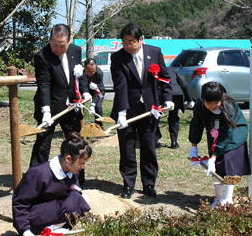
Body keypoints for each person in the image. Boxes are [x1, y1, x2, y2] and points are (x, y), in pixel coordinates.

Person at [110, 24, 173, 199]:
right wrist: (122, 112)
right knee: (127, 148)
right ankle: (128, 184)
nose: (128, 46)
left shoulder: (155, 52)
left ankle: (149, 184)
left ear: (141, 40)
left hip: (150, 109)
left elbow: (164, 78)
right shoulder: (118, 58)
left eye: (131, 42)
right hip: (128, 108)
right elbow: (120, 85)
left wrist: (167, 99)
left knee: (148, 147)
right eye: (124, 42)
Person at [13, 132, 92, 236]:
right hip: (34, 216)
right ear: (68, 158)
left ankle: (56, 233)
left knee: (78, 198)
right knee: (75, 199)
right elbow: (20, 203)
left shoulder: (72, 172)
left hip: (52, 210)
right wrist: (25, 230)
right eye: (81, 162)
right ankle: (35, 235)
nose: (83, 167)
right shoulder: (39, 173)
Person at [30, 24, 91, 172]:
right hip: (50, 105)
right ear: (50, 40)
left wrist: (85, 92)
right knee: (43, 142)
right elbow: (44, 84)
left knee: (76, 141)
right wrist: (46, 111)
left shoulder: (76, 50)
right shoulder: (42, 56)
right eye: (54, 44)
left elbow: (79, 74)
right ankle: (36, 176)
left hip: (71, 105)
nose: (57, 49)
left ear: (69, 41)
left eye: (62, 45)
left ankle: (76, 176)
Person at [188, 82, 251, 207]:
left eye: (216, 102)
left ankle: (227, 199)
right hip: (214, 133)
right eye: (209, 102)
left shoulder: (228, 105)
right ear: (203, 99)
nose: (212, 106)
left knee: (228, 165)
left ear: (221, 99)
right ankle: (218, 198)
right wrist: (193, 147)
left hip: (233, 133)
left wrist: (213, 156)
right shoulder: (200, 104)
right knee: (216, 168)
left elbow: (226, 133)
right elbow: (196, 124)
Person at [156, 67, 194, 149]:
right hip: (175, 93)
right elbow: (184, 83)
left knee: (155, 116)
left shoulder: (154, 70)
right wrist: (190, 99)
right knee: (174, 117)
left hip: (161, 93)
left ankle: (156, 141)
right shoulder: (172, 70)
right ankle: (174, 142)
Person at [79, 58, 105, 128]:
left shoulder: (99, 73)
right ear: (84, 67)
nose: (91, 74)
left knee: (98, 106)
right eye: (89, 72)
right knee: (80, 106)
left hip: (97, 90)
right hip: (84, 90)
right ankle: (79, 124)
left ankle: (99, 125)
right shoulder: (80, 72)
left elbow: (99, 91)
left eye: (93, 72)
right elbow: (83, 85)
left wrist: (92, 104)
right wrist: (85, 93)